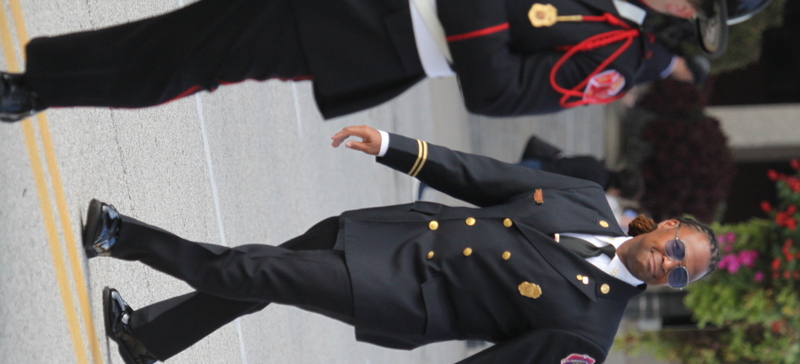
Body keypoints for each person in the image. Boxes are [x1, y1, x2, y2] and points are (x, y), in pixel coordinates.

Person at [81, 124, 718, 364]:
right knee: (260, 282)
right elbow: (483, 176)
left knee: (252, 270)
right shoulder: (585, 198)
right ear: (665, 226)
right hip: (396, 233)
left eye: (679, 274)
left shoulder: (591, 334)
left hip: (400, 296)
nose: (668, 264)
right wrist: (395, 147)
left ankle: (122, 237)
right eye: (676, 249)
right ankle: (147, 339)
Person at [1, 0, 706, 123]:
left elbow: (497, 92)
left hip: (373, 32)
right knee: (196, 29)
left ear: (684, 10)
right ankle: (40, 78)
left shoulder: (622, 53)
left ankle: (34, 89)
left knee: (197, 57)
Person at [518, 135, 645, 200]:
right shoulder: (593, 189)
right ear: (617, 191)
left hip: (536, 165)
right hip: (536, 184)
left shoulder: (594, 162)